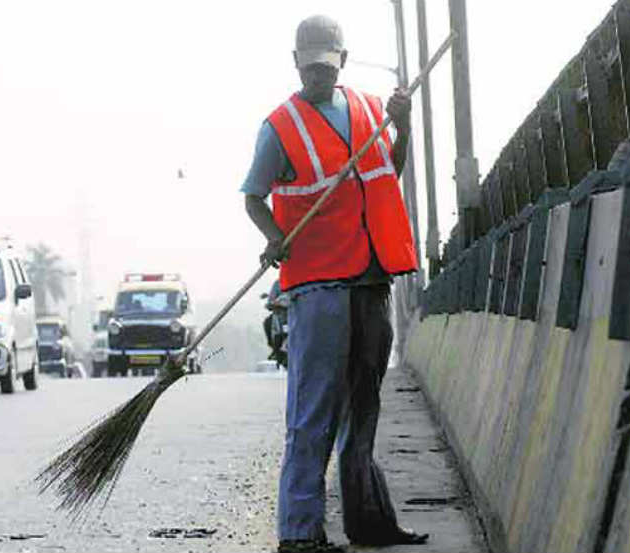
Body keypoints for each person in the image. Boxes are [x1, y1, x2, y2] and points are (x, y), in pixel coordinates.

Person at [241, 14, 428, 553]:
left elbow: (388, 174)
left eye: (327, 66)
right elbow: (253, 197)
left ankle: (369, 522)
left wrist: (404, 127)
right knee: (314, 409)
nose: (319, 76)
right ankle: (299, 534)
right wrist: (276, 237)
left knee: (364, 406)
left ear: (342, 61)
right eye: (310, 68)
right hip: (319, 283)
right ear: (295, 63)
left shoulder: (371, 109)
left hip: (371, 275)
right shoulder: (280, 127)